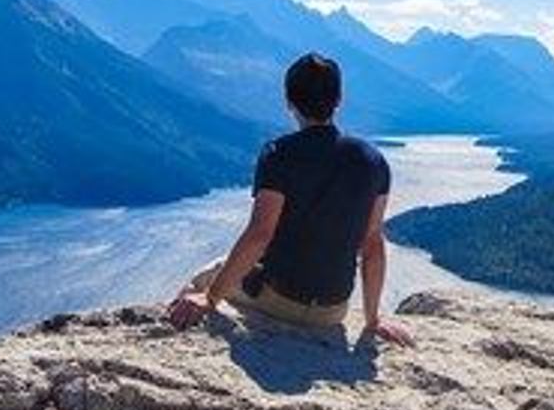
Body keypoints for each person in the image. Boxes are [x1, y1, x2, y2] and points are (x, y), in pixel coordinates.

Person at [167, 52, 415, 346]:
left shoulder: (278, 154)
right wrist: (373, 320)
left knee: (202, 280)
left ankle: (176, 328)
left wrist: (209, 299)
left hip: (278, 300)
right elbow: (373, 243)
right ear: (339, 100)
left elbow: (260, 234)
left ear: (288, 101)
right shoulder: (374, 161)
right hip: (333, 311)